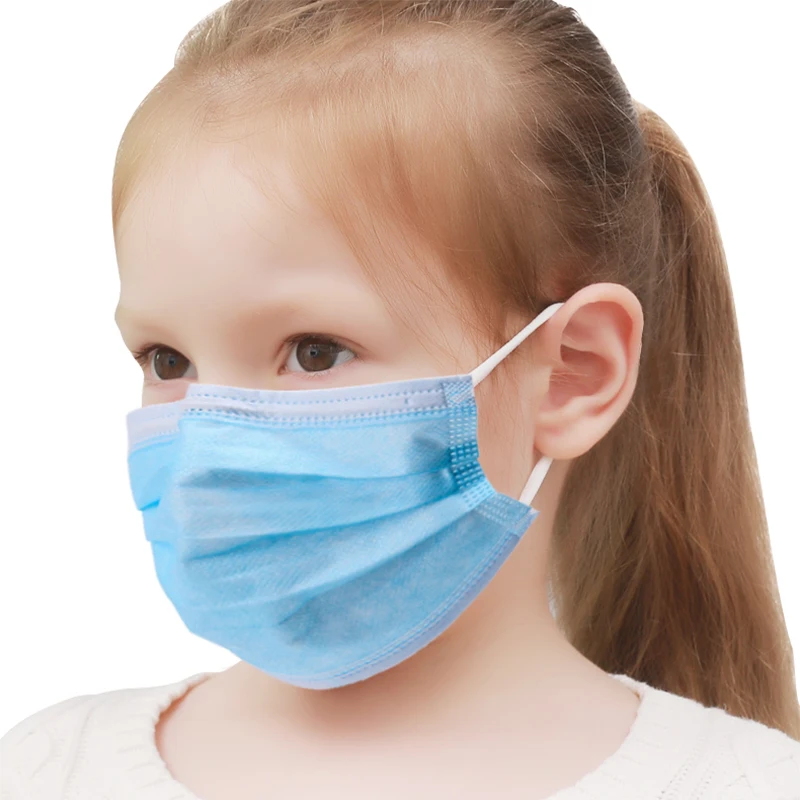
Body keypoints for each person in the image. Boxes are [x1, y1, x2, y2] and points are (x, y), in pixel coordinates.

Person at [2, 0, 799, 797]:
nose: (207, 451)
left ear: (572, 373)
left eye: (314, 352)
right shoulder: (47, 767)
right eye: (167, 359)